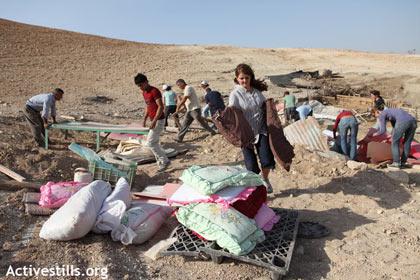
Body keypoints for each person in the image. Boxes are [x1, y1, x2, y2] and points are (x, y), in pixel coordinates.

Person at [228, 63, 274, 193]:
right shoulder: (235, 94)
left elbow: (265, 107)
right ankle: (256, 188)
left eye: (247, 78)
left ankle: (264, 179)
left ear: (251, 78)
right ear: (237, 78)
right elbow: (232, 114)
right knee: (251, 165)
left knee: (267, 160)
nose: (244, 81)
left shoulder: (257, 92)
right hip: (245, 134)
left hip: (261, 130)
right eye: (241, 78)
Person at [134, 73, 170, 172]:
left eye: (141, 85)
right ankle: (162, 161)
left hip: (158, 120)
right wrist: (145, 119)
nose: (140, 87)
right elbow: (148, 106)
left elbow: (160, 107)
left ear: (146, 82)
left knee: (150, 143)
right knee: (154, 142)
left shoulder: (154, 91)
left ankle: (164, 161)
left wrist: (154, 121)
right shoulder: (144, 93)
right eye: (138, 86)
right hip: (153, 120)